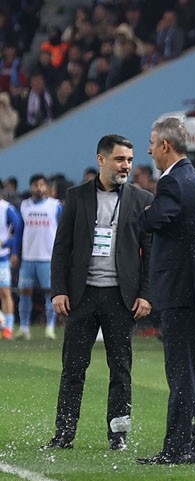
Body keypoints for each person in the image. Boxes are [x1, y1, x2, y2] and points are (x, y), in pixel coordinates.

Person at [41, 134, 153, 451]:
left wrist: (146, 294)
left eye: (129, 160)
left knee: (121, 370)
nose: (126, 166)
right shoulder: (76, 197)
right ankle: (64, 434)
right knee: (73, 369)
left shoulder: (142, 199)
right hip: (82, 296)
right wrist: (58, 290)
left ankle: (118, 435)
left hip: (121, 298)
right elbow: (61, 248)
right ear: (101, 160)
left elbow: (150, 252)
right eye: (119, 159)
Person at [137, 117, 195, 465]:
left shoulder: (172, 182)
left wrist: (147, 213)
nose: (149, 150)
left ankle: (176, 447)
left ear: (165, 145)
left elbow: (151, 221)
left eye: (152, 143)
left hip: (181, 290)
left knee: (180, 371)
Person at [16, 174, 62, 340]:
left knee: (50, 293)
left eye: (42, 185)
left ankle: (50, 328)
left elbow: (62, 231)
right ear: (31, 187)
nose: (39, 188)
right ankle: (24, 328)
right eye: (36, 185)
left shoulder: (55, 206)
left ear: (47, 187)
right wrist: (16, 253)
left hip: (48, 257)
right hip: (28, 257)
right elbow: (19, 231)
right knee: (25, 292)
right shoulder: (24, 206)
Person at [0, 183, 21, 339]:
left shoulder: (6, 209)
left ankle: (8, 327)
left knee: (5, 292)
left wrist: (9, 246)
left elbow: (19, 230)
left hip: (2, 258)